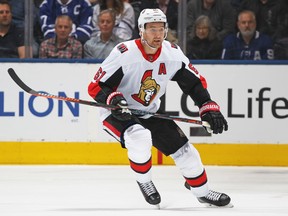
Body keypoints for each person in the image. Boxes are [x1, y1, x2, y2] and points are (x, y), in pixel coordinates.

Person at [88, 8, 231, 207]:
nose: (157, 34)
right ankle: (145, 182)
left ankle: (203, 192)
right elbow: (96, 86)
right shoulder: (124, 53)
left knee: (187, 152)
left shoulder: (172, 54)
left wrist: (207, 106)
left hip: (149, 111)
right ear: (141, 30)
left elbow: (194, 83)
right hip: (117, 113)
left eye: (161, 29)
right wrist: (114, 100)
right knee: (140, 138)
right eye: (152, 29)